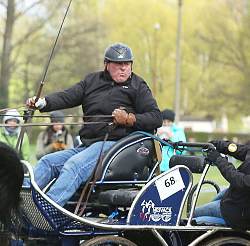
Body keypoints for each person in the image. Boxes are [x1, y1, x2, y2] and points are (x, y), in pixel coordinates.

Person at [25, 43, 161, 204]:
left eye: (127, 64)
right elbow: (68, 96)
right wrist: (43, 102)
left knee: (74, 165)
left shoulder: (137, 86)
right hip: (88, 145)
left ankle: (47, 209)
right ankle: (20, 204)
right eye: (118, 64)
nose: (123, 68)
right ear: (106, 65)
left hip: (116, 146)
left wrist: (129, 119)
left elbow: (156, 117)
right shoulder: (92, 80)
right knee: (48, 162)